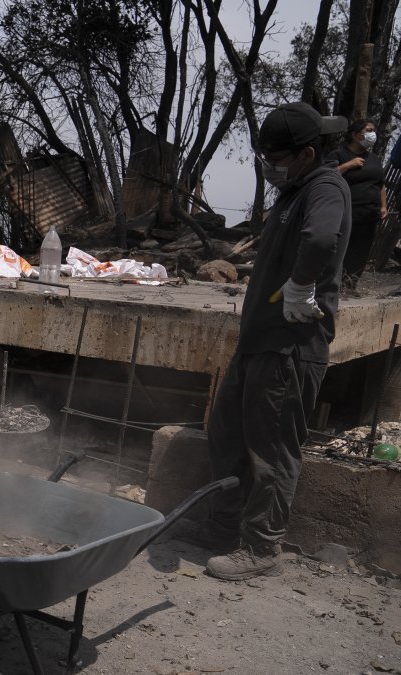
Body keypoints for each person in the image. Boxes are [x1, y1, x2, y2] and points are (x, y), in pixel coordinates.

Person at [200, 102, 350, 581]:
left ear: (307, 153)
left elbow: (323, 239)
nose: (270, 167)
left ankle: (262, 548)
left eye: (278, 158)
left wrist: (302, 285)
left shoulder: (325, 187)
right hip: (259, 342)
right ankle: (223, 528)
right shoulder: (296, 188)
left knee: (272, 448)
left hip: (289, 348)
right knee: (227, 432)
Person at [328, 119, 387, 279]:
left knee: (362, 249)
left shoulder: (374, 158)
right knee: (343, 247)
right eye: (369, 130)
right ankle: (336, 281)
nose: (372, 134)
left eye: (373, 130)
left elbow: (380, 184)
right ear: (355, 135)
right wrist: (348, 165)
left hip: (370, 213)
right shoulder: (339, 154)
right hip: (347, 211)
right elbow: (325, 176)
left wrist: (383, 206)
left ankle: (352, 283)